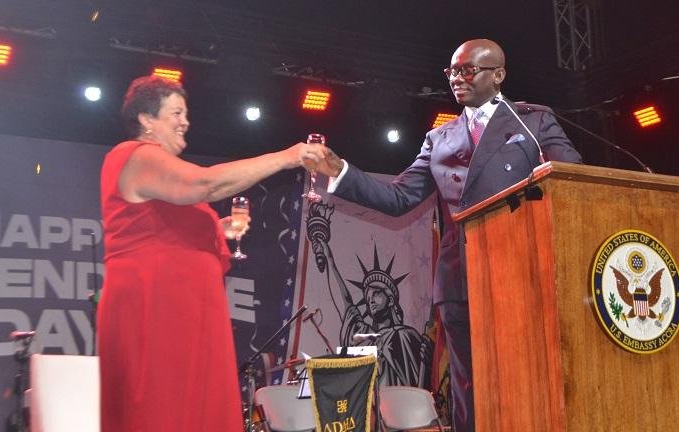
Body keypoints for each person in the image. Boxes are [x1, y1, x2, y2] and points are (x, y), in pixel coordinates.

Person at [314, 39, 582, 431]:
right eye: (452, 71)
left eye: (467, 70)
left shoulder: (532, 120)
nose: (457, 78)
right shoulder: (438, 139)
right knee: (469, 388)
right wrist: (340, 170)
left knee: (526, 376)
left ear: (498, 74)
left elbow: (573, 180)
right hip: (461, 281)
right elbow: (398, 197)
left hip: (522, 274)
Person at [97, 75, 327, 432]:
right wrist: (288, 157)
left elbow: (162, 231)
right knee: (161, 410)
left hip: (186, 312)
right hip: (155, 309)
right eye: (175, 112)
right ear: (146, 119)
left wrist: (218, 229)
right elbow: (204, 183)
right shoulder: (136, 156)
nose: (185, 121)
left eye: (185, 113)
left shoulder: (157, 174)